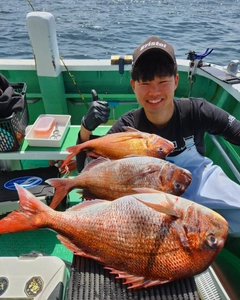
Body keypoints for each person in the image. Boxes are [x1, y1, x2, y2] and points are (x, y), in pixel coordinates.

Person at [76, 36, 240, 237]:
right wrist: (86, 129)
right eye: (145, 83)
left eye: (163, 81)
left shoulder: (197, 110)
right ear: (133, 85)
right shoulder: (128, 128)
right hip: (151, 200)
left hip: (200, 186)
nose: (154, 92)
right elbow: (85, 171)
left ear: (176, 81)